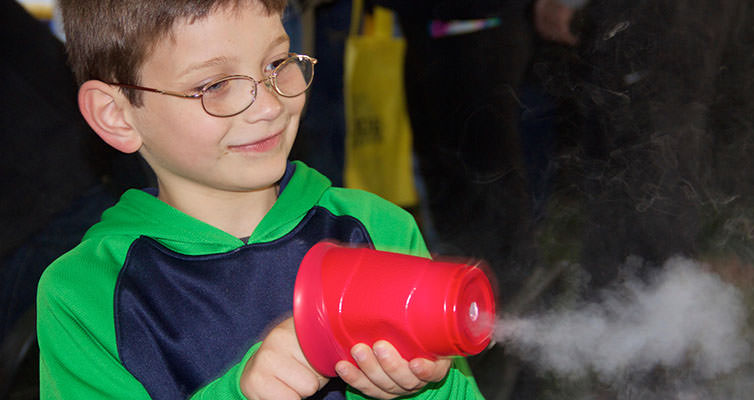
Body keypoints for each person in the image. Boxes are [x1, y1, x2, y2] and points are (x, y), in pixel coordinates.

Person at [36, 0, 483, 399]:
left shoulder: (377, 229)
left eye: (277, 63)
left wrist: (419, 389)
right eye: (215, 85)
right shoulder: (83, 293)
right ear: (116, 115)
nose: (269, 106)